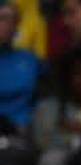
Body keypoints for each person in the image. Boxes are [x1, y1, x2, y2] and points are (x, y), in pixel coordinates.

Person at [0, 1, 42, 129]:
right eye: (2, 18)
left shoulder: (29, 59)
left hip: (22, 132)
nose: (8, 25)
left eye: (14, 20)